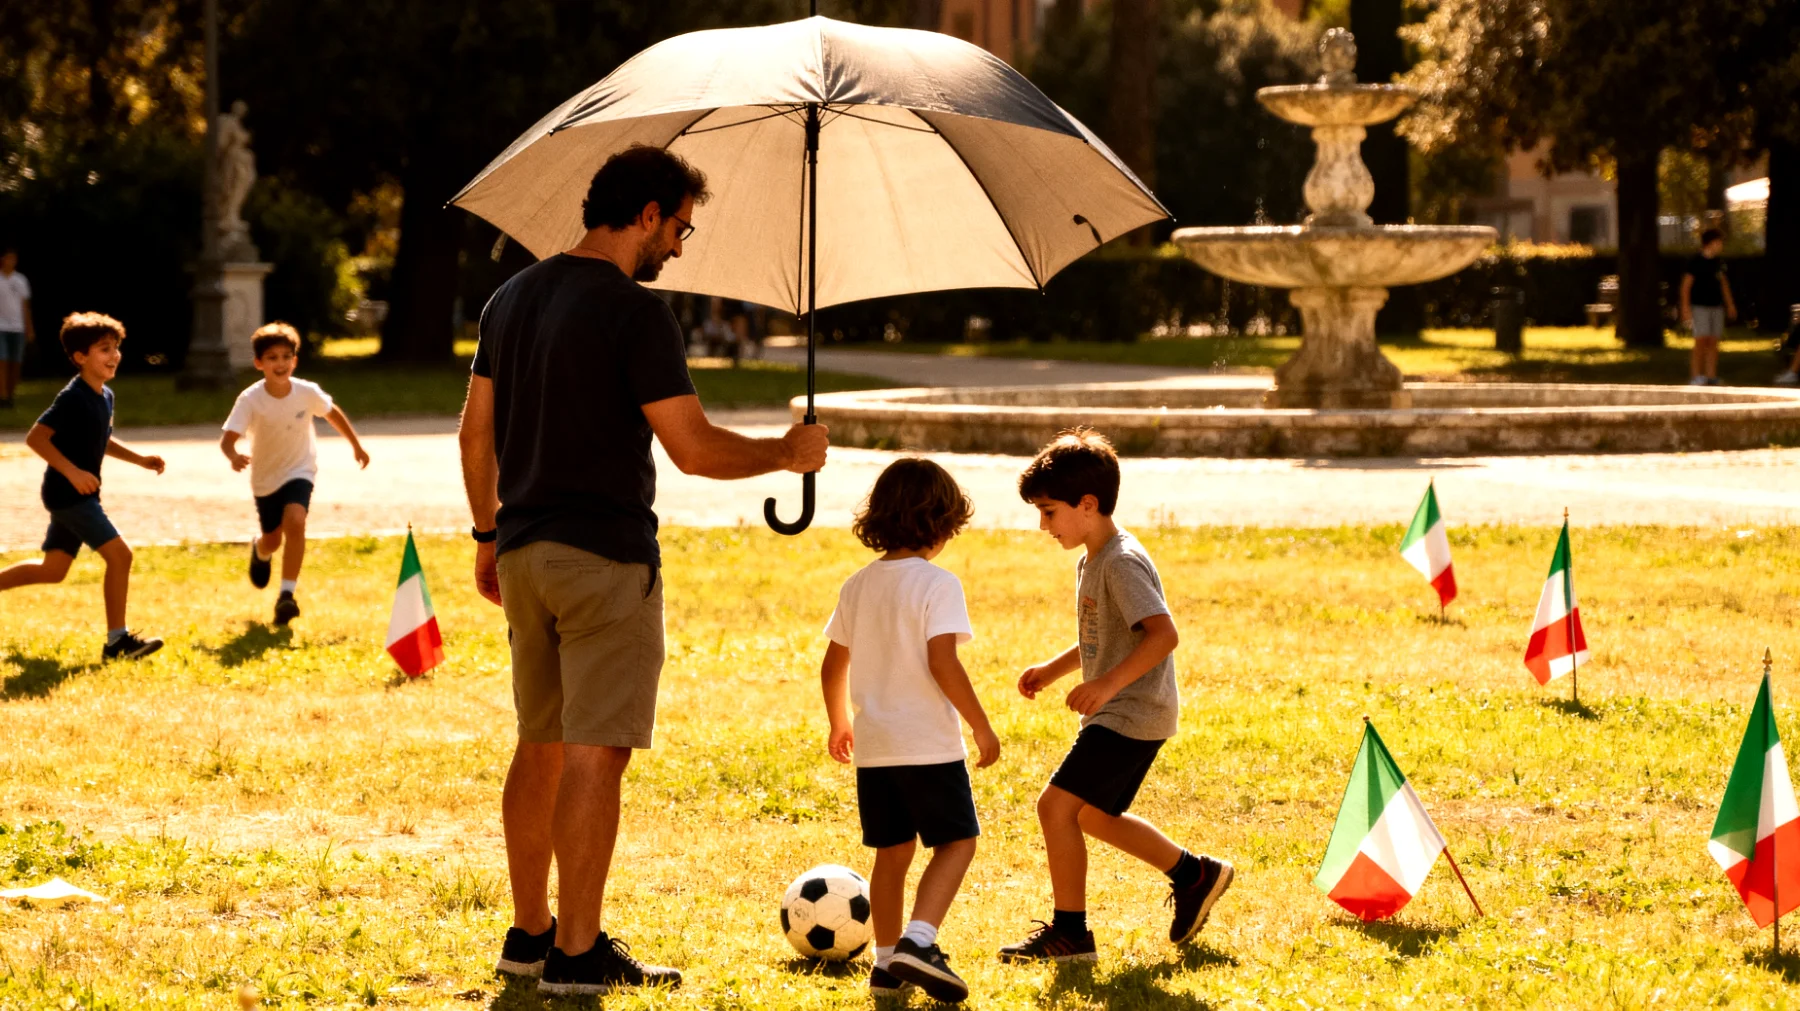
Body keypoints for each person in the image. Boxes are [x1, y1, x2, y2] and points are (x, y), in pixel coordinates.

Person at [458, 144, 830, 997]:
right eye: (681, 228)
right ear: (648, 214)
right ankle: (578, 955)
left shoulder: (509, 297)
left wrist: (488, 533)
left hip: (522, 552)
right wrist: (786, 451)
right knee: (596, 753)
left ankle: (530, 935)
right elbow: (693, 449)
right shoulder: (635, 312)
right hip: (605, 559)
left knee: (539, 742)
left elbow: (474, 433)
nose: (681, 247)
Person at [1000, 428, 1232, 964]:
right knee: (1091, 816)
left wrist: (1106, 684)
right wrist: (1054, 669)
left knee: (1056, 807)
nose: (1042, 524)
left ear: (1088, 504)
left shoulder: (1121, 561)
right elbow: (1100, 637)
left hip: (1131, 713)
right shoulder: (1093, 557)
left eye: (1049, 511)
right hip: (1122, 711)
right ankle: (1195, 874)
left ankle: (1071, 934)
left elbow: (1163, 634)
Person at [819, 459, 998, 1003]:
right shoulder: (938, 584)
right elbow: (943, 661)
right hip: (927, 745)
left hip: (875, 749)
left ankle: (885, 964)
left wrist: (839, 722)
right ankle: (920, 942)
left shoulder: (857, 585)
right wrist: (982, 727)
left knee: (891, 855)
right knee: (957, 842)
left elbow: (831, 666)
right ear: (943, 524)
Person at [0, 312, 165, 660]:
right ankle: (117, 642)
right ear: (80, 357)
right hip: (68, 494)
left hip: (78, 493)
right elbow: (36, 438)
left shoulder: (104, 395)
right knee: (121, 556)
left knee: (53, 571)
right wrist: (72, 472)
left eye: (116, 348)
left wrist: (140, 460)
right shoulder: (72, 396)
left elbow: (101, 438)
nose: (114, 355)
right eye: (104, 349)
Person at [220, 322, 370, 626]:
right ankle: (260, 550)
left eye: (286, 356)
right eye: (272, 358)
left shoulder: (306, 392)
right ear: (259, 363)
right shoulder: (250, 399)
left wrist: (356, 445)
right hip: (265, 478)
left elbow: (332, 412)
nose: (280, 363)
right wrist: (234, 456)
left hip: (300, 469)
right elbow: (227, 439)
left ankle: (286, 596)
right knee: (273, 540)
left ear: (295, 361)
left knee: (296, 521)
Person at [1680, 229, 1735, 387]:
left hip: (1716, 307)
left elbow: (1723, 284)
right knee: (1701, 340)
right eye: (1719, 241)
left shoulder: (1718, 262)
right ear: (1710, 243)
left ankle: (1711, 375)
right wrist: (1685, 308)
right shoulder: (1695, 261)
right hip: (1699, 307)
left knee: (1713, 341)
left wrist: (1729, 304)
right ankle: (1696, 375)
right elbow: (1686, 287)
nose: (1721, 245)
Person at [0, 246, 34, 408]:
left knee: (15, 362)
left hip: (17, 327)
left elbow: (25, 306)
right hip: (1, 327)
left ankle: (11, 394)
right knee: (2, 360)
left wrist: (29, 327)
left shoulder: (20, 280)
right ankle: (3, 395)